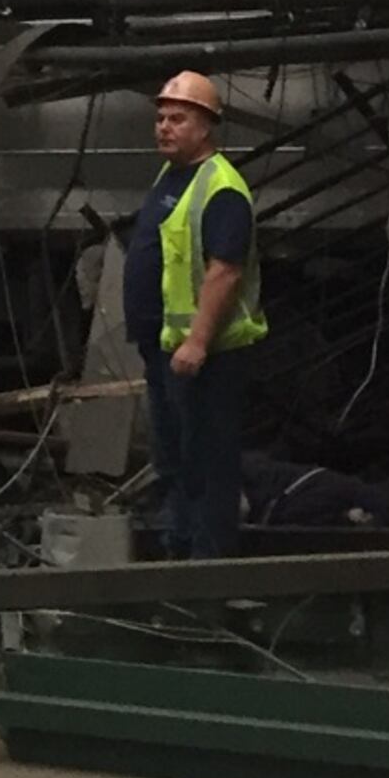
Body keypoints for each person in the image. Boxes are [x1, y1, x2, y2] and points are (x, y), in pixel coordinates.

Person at [136, 70, 263, 562]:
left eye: (178, 119)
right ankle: (179, 553)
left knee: (208, 467)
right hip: (169, 347)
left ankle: (207, 570)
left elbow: (224, 272)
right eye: (161, 118)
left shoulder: (222, 187)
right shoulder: (174, 174)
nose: (164, 127)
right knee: (175, 462)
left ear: (205, 127)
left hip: (207, 357)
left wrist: (197, 342)